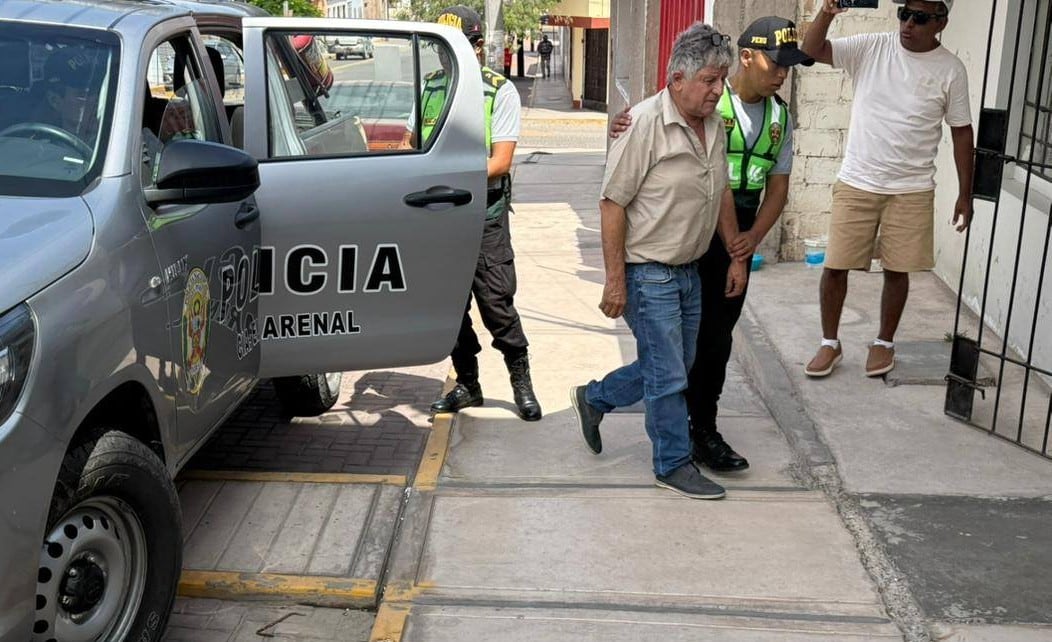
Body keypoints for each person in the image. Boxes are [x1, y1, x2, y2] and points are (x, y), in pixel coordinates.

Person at [609, 17, 812, 473]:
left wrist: (747, 244)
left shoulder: (779, 117)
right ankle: (669, 436)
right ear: (747, 57)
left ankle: (701, 427)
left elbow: (776, 188)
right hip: (686, 231)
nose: (782, 73)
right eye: (775, 63)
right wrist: (627, 125)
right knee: (673, 352)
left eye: (788, 66)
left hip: (736, 232)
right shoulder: (707, 103)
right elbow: (658, 126)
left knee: (714, 342)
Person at [570, 23, 748, 500]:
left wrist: (735, 255)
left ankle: (595, 398)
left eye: (722, 80)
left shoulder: (713, 124)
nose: (718, 90)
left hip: (689, 271)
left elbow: (721, 192)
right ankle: (672, 463)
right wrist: (614, 282)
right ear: (677, 79)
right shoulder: (644, 124)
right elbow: (612, 203)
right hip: (648, 272)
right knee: (669, 374)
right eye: (710, 80)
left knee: (673, 367)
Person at [800, 0, 973, 378]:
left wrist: (965, 193)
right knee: (835, 266)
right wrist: (827, 12)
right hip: (858, 180)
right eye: (903, 14)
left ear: (941, 23)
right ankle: (830, 342)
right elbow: (811, 50)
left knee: (898, 270)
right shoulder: (872, 47)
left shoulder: (951, 70)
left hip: (911, 188)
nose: (908, 24)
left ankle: (884, 342)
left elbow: (962, 132)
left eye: (920, 18)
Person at [424, 6, 543, 422]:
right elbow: (413, 141)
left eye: (454, 48)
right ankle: (468, 385)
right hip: (437, 217)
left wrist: (446, 173)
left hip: (483, 214)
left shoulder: (498, 91)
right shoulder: (431, 88)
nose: (444, 57)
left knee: (496, 304)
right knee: (450, 307)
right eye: (439, 48)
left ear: (476, 48)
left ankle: (521, 384)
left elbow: (501, 161)